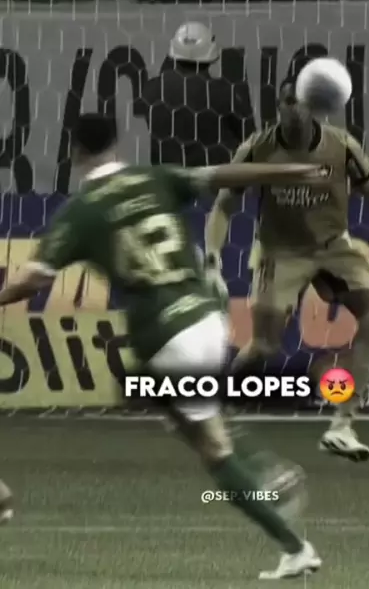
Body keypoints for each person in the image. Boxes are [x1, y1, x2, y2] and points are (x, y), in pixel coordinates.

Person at [0, 112, 320, 579]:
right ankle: (251, 458)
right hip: (209, 320)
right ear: (116, 144)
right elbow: (223, 175)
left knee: (213, 451)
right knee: (181, 412)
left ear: (76, 151)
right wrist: (287, 170)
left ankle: (288, 529)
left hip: (167, 336)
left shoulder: (82, 211)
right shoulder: (155, 178)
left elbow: (33, 278)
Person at [204, 80, 369, 462]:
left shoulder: (341, 146)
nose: (294, 108)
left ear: (316, 107)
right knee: (264, 346)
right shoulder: (257, 148)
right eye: (288, 101)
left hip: (334, 247)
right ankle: (218, 404)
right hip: (280, 252)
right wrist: (211, 261)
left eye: (302, 102)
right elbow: (224, 203)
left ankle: (342, 426)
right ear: (279, 106)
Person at [141, 22, 254, 167]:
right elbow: (250, 138)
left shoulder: (151, 90)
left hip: (166, 178)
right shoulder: (223, 93)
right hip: (216, 178)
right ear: (211, 51)